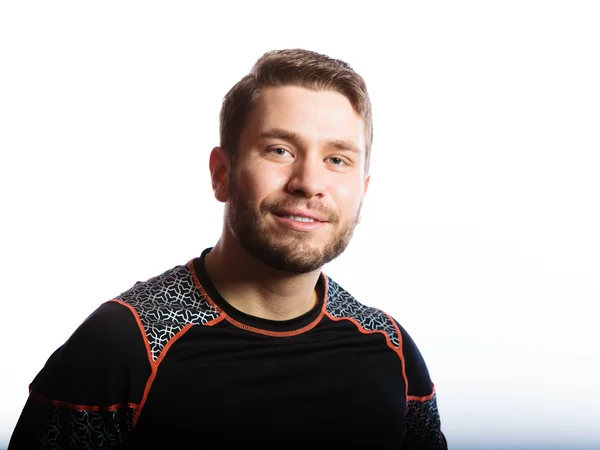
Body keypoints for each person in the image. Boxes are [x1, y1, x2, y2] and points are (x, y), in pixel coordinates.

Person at [9, 48, 447, 448]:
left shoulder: (392, 352)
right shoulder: (123, 347)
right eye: (279, 149)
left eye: (337, 159)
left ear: (362, 191)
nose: (310, 183)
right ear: (221, 173)